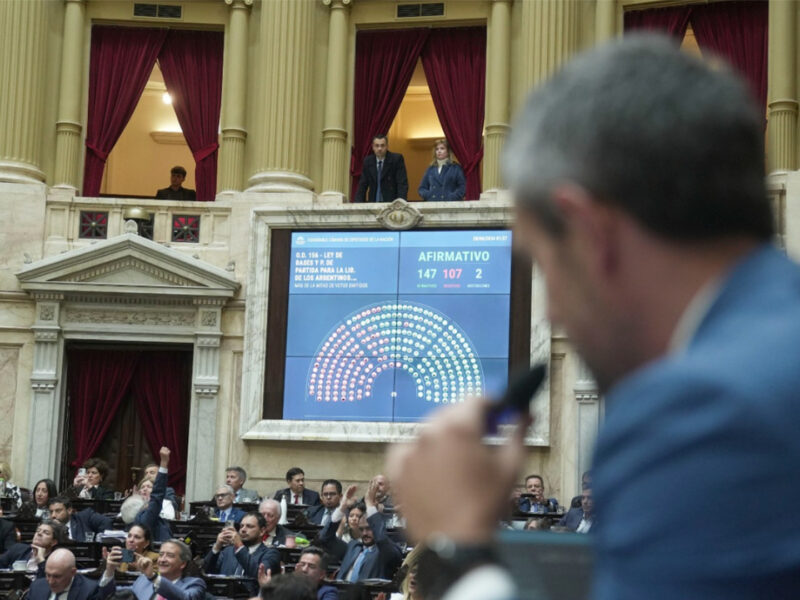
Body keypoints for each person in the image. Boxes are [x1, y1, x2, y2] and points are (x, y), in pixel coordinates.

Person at [499, 35, 799, 599]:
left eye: (544, 264)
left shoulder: (696, 414)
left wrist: (460, 542)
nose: (553, 311)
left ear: (589, 232)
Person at [318, 481, 402, 581]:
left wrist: (370, 505)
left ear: (377, 526)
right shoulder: (353, 547)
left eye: (369, 529)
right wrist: (342, 507)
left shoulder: (388, 551)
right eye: (361, 529)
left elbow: (381, 539)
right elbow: (325, 539)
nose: (364, 533)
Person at [100, 539, 205, 600]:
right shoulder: (143, 580)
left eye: (170, 555)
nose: (162, 560)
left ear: (183, 564)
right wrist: (109, 570)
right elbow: (110, 595)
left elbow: (185, 598)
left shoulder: (194, 584)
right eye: (161, 554)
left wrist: (153, 577)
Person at [204, 512, 279, 595]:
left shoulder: (271, 554)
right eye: (241, 526)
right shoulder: (228, 551)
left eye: (249, 526)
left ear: (262, 531)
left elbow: (260, 575)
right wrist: (217, 547)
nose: (243, 530)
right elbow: (205, 572)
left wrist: (239, 546)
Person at [120, 447, 172, 542]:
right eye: (143, 487)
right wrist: (164, 463)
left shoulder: (138, 519)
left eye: (149, 487)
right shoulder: (145, 517)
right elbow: (157, 495)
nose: (144, 489)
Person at [28, 548, 114, 600]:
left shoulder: (89, 591)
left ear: (73, 572)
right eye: (48, 575)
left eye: (57, 576)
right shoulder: (36, 587)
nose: (51, 581)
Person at [353, 135, 408, 203]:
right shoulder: (368, 161)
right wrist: (357, 204)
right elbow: (362, 185)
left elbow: (402, 183)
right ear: (373, 147)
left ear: (387, 146)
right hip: (373, 203)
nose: (379, 148)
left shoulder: (396, 159)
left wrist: (401, 203)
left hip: (392, 203)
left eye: (382, 145)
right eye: (377, 146)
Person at [0, 520, 66, 573]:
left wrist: (41, 560)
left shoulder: (56, 560)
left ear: (53, 542)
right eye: (38, 530)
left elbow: (48, 581)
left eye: (46, 533)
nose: (39, 533)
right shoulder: (17, 549)